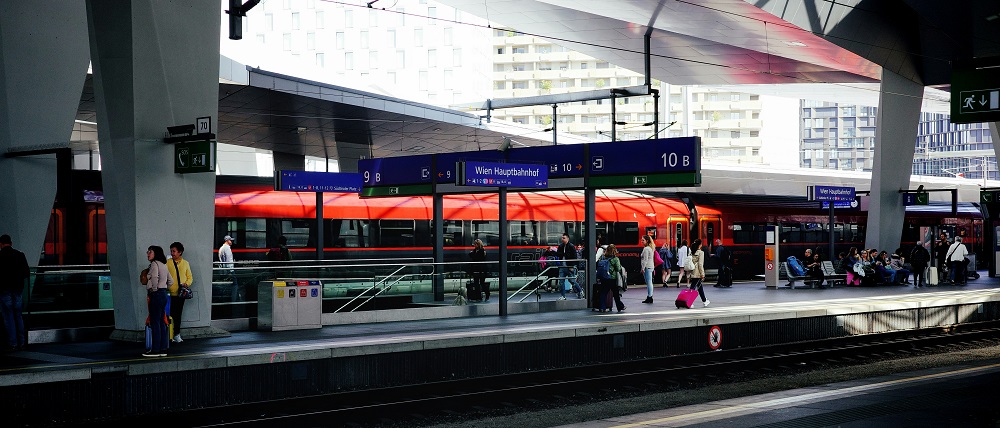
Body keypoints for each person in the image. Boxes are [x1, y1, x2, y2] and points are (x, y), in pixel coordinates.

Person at [0, 234, 30, 351]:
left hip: (4, 290)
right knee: (18, 315)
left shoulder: (0, 256)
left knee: (8, 316)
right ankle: (21, 341)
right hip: (17, 289)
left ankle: (13, 343)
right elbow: (26, 273)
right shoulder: (20, 255)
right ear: (11, 243)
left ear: (1, 244)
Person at [143, 245, 173, 357]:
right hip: (163, 294)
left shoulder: (154, 264)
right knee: (161, 321)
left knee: (155, 322)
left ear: (155, 253)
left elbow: (154, 278)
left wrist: (154, 289)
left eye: (150, 252)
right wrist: (164, 287)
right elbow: (171, 281)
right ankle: (163, 349)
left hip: (156, 294)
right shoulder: (164, 265)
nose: (147, 253)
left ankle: (155, 350)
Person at [165, 242, 193, 343]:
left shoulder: (185, 263)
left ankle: (176, 334)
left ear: (180, 252)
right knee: (169, 314)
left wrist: (186, 284)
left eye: (174, 251)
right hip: (169, 294)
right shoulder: (168, 263)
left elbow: (190, 277)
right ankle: (169, 335)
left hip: (180, 294)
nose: (172, 253)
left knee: (178, 314)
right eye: (171, 251)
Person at [600, 244, 626, 313]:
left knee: (603, 293)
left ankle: (603, 308)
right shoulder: (615, 259)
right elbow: (618, 269)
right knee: (616, 294)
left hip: (604, 278)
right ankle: (620, 307)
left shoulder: (603, 258)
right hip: (612, 278)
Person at [556, 233, 582, 300]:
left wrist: (572, 266)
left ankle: (580, 291)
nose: (562, 239)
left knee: (572, 281)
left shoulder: (571, 246)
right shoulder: (561, 246)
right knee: (561, 282)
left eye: (564, 238)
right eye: (562, 238)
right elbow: (558, 254)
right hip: (562, 266)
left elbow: (574, 257)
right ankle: (563, 296)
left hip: (569, 266)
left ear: (568, 238)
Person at [688, 238, 710, 307]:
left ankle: (704, 300)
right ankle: (689, 302)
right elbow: (700, 264)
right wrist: (702, 274)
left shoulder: (692, 252)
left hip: (692, 271)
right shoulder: (701, 253)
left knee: (699, 287)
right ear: (700, 245)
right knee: (693, 288)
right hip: (697, 273)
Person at [219, 235, 238, 301]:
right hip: (230, 270)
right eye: (231, 240)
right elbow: (229, 260)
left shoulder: (221, 248)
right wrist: (230, 271)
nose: (232, 241)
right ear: (227, 241)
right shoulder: (227, 248)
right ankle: (234, 300)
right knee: (235, 285)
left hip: (224, 270)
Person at [640, 235, 656, 304]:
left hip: (647, 267)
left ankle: (650, 297)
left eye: (643, 240)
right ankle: (650, 296)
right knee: (649, 282)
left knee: (649, 282)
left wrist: (643, 268)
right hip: (650, 266)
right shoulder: (650, 248)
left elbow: (645, 260)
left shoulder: (646, 249)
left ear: (647, 241)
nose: (642, 241)